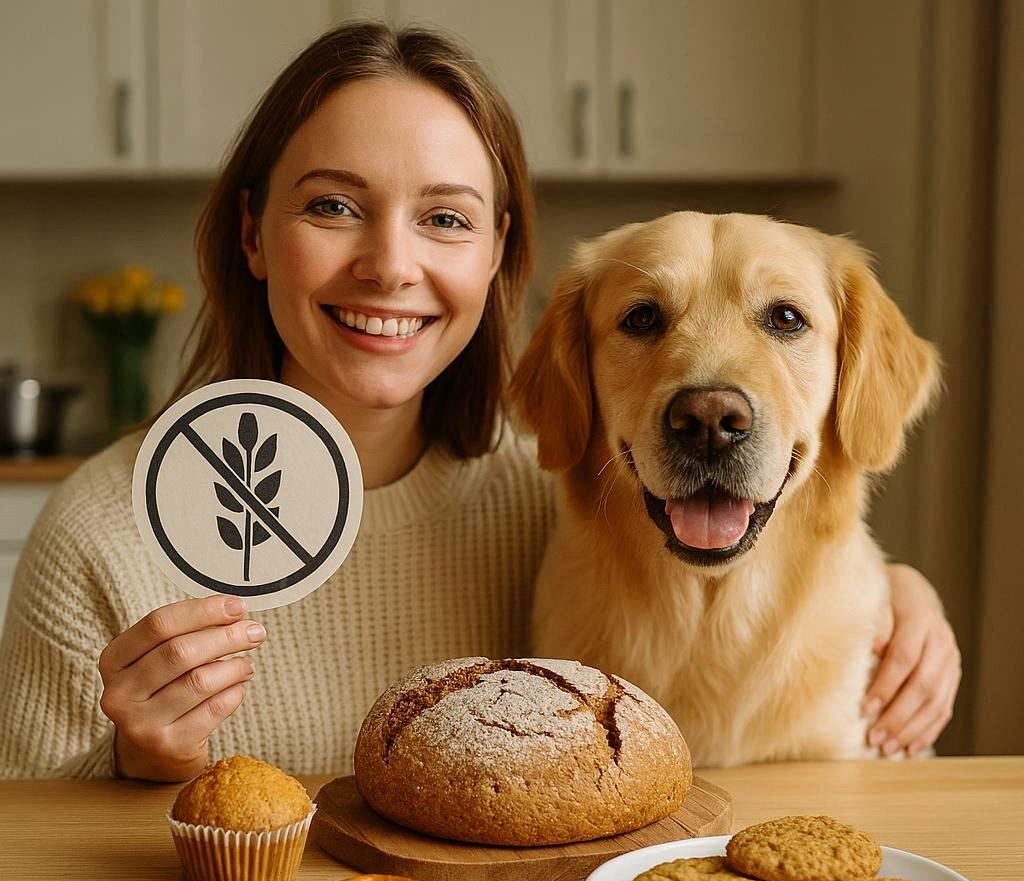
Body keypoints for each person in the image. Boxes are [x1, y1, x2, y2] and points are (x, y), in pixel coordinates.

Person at [0, 22, 960, 782]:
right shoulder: (104, 534)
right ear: (253, 236)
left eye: (445, 218)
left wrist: (893, 597)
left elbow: (759, 580)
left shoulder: (556, 490)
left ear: (496, 252)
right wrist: (136, 764)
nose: (389, 266)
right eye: (331, 205)